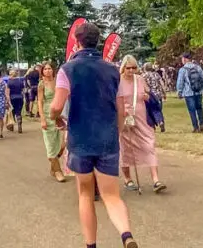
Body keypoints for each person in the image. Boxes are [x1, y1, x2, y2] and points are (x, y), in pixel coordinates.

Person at [50, 22, 139, 248]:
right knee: (112, 195)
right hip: (107, 139)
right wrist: (116, 133)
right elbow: (120, 109)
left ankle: (91, 244)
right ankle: (126, 234)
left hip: (80, 140)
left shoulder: (67, 69)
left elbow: (56, 106)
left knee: (85, 195)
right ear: (98, 42)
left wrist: (57, 119)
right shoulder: (112, 70)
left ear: (77, 42)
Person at [118, 55, 166, 194]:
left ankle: (156, 180)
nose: (132, 70)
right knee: (125, 148)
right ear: (123, 68)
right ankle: (128, 179)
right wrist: (123, 110)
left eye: (134, 67)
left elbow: (150, 96)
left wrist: (147, 97)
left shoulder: (140, 79)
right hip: (125, 119)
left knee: (149, 144)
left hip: (141, 118)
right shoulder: (118, 81)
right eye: (129, 68)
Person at [37, 61, 66, 182]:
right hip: (48, 115)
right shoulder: (41, 84)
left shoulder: (58, 82)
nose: (47, 71)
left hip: (60, 115)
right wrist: (42, 118)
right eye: (45, 69)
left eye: (49, 69)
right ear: (42, 71)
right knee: (50, 144)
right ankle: (58, 171)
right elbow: (40, 101)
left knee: (63, 144)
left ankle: (53, 166)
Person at [176, 52, 203, 133]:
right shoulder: (198, 67)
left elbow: (180, 82)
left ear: (185, 59)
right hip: (198, 91)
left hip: (188, 93)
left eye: (182, 59)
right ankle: (202, 124)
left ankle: (195, 127)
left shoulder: (183, 70)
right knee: (199, 108)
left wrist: (179, 91)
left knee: (192, 110)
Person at [142, 63, 166, 132]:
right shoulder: (156, 74)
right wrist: (164, 93)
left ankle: (152, 126)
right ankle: (161, 121)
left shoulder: (144, 76)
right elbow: (162, 84)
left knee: (149, 111)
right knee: (158, 110)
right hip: (158, 95)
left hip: (149, 95)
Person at [6, 68, 26, 134]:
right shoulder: (20, 81)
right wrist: (23, 97)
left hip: (12, 98)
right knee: (18, 112)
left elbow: (7, 93)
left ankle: (11, 126)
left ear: (11, 75)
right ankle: (19, 124)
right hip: (20, 98)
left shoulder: (9, 82)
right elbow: (24, 91)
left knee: (12, 112)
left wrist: (7, 100)